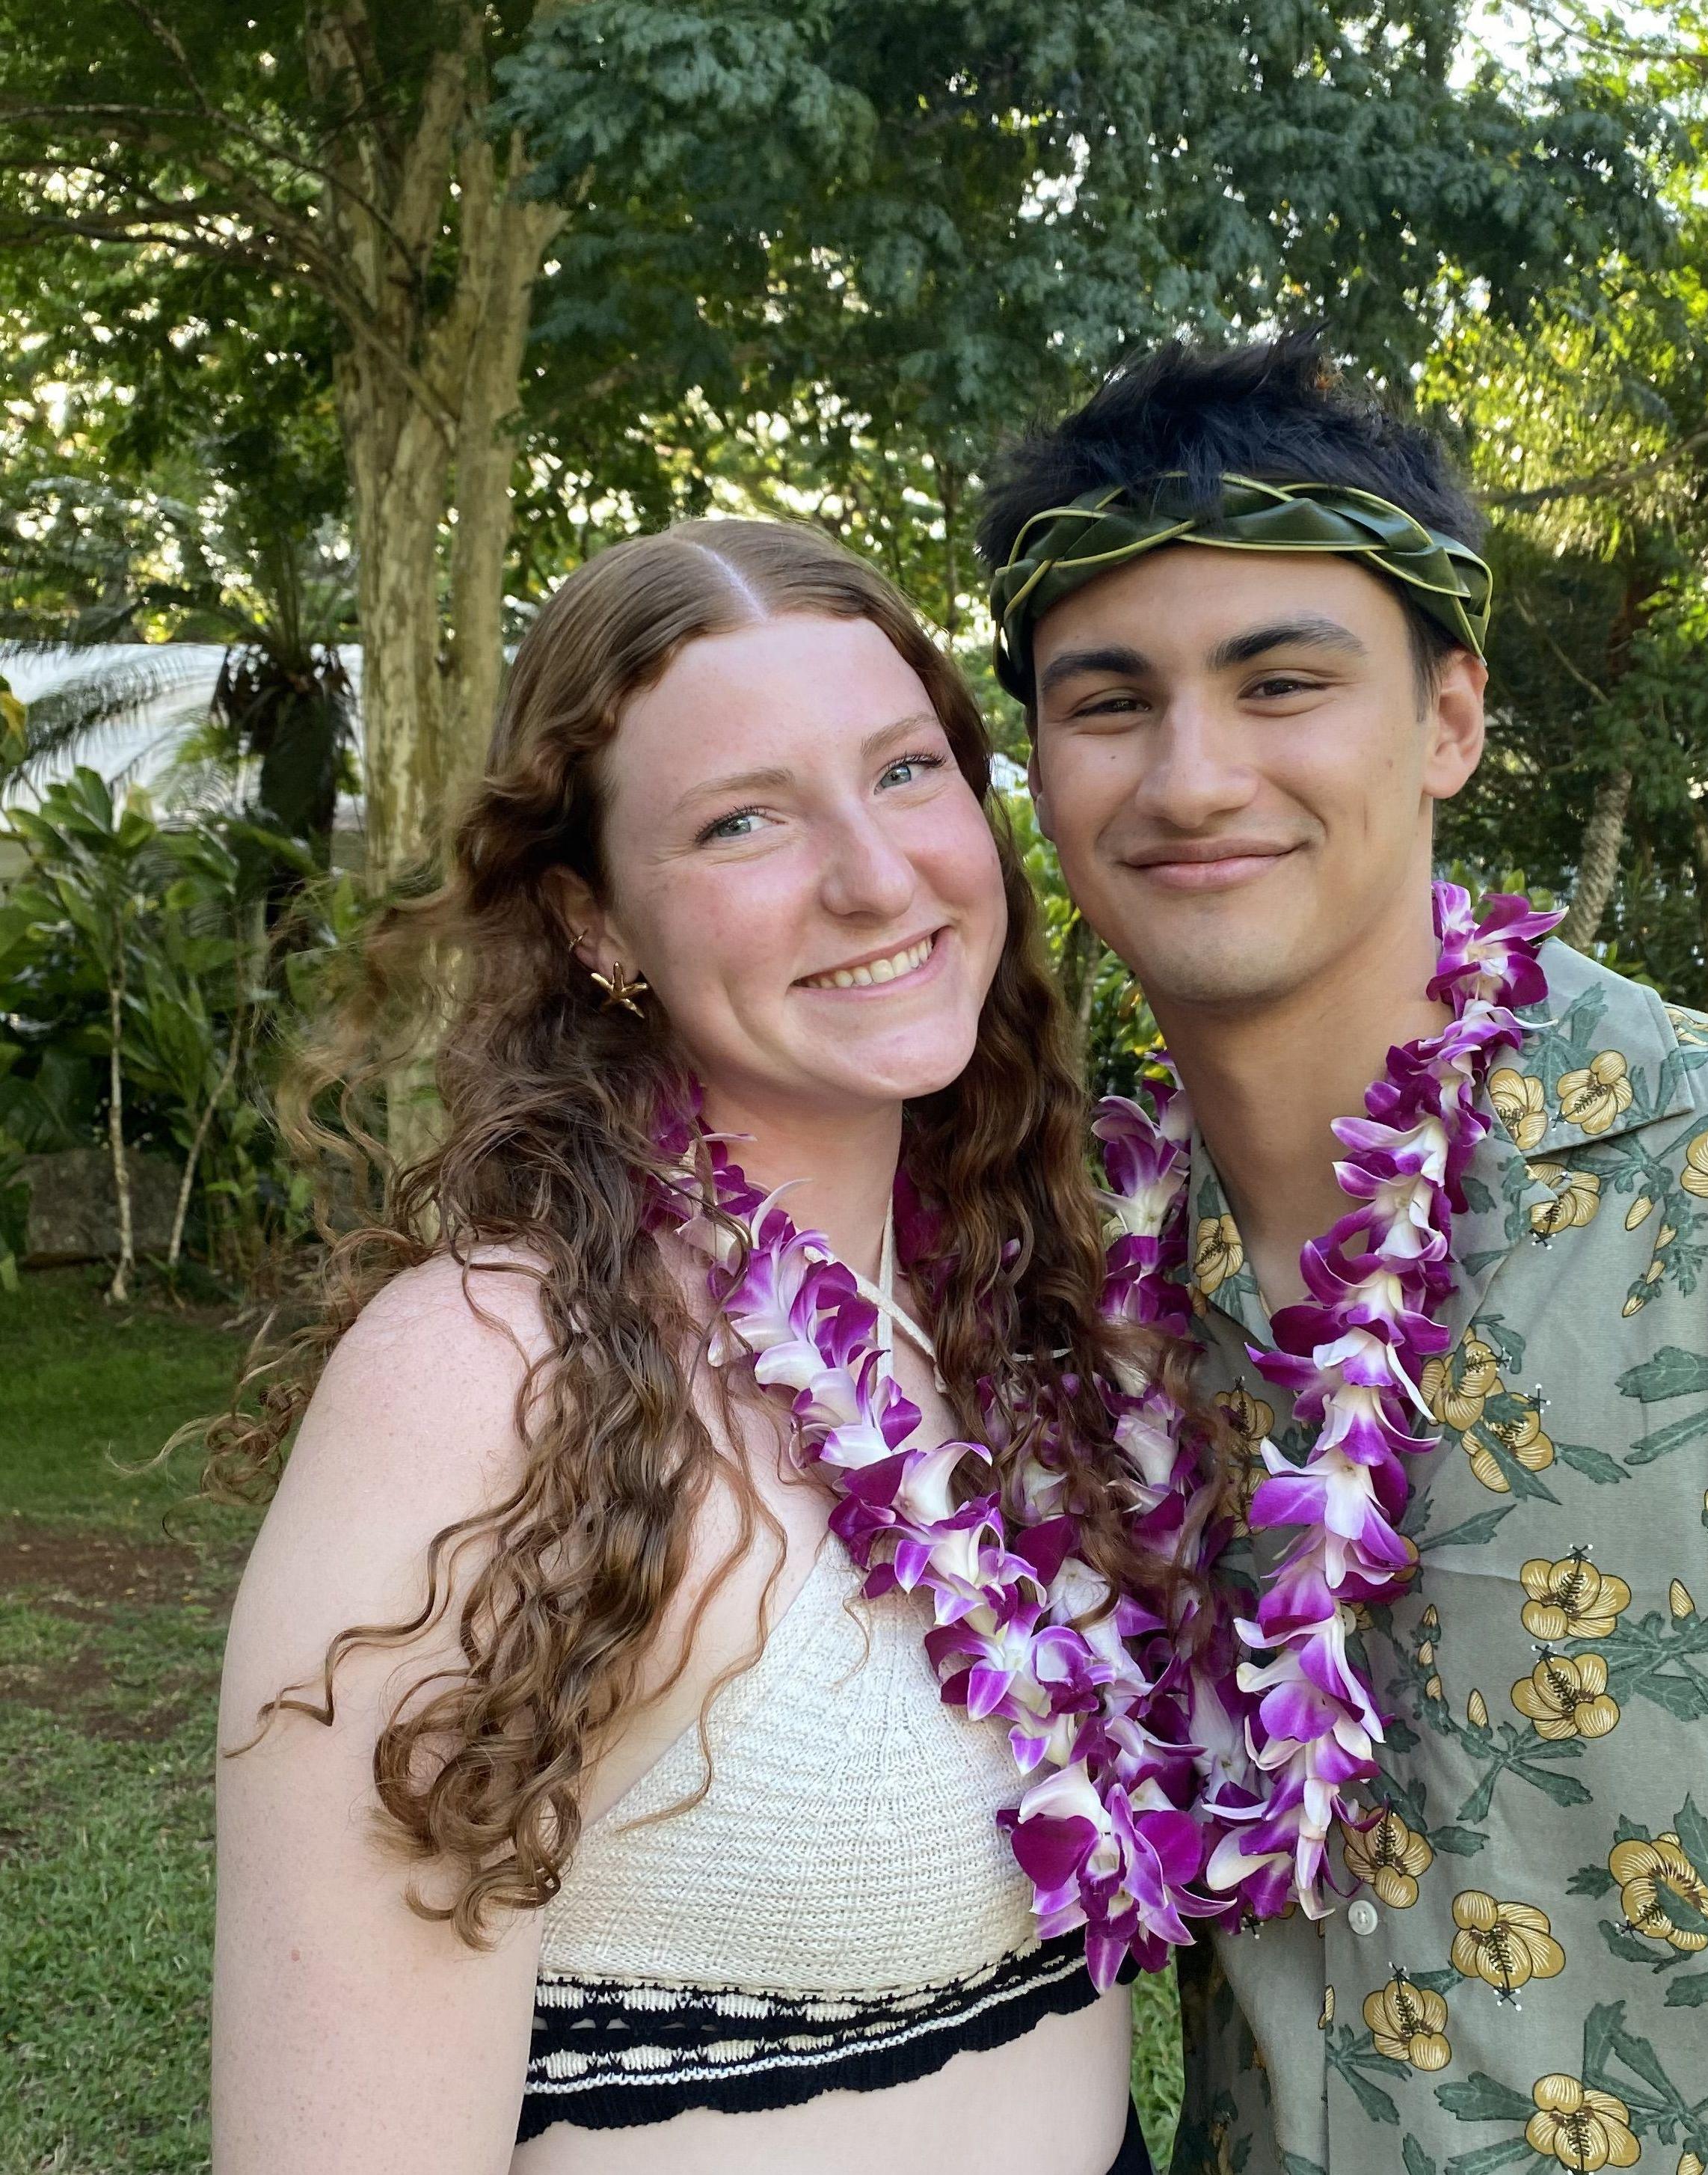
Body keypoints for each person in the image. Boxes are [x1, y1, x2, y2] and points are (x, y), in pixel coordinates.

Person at [976, 334, 1708, 2175]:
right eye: (1108, 700)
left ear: (1448, 717)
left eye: (1280, 680)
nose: (1192, 774)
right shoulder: (1075, 1311)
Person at [209, 518, 1188, 2174]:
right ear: (597, 925)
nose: (873, 877)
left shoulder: (1026, 1323)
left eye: (903, 773)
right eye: (743, 819)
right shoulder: (490, 1376)